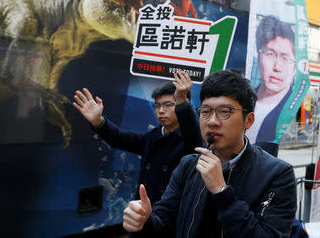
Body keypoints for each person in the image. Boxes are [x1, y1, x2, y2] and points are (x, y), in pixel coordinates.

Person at [122, 70, 297, 237]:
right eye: (205, 111)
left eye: (224, 112)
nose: (212, 121)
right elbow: (163, 224)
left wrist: (221, 191)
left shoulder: (278, 175)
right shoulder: (188, 165)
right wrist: (144, 221)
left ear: (248, 120)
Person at [72, 70, 204, 207]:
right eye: (157, 106)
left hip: (171, 215)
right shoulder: (153, 137)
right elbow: (119, 138)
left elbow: (191, 128)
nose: (161, 111)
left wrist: (182, 99)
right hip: (144, 212)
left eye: (168, 105)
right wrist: (98, 121)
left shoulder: (190, 139)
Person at [247, 15, 296, 145]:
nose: (277, 67)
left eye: (285, 58)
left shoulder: (290, 108)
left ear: (295, 66)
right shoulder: (244, 101)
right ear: (258, 55)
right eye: (270, 54)